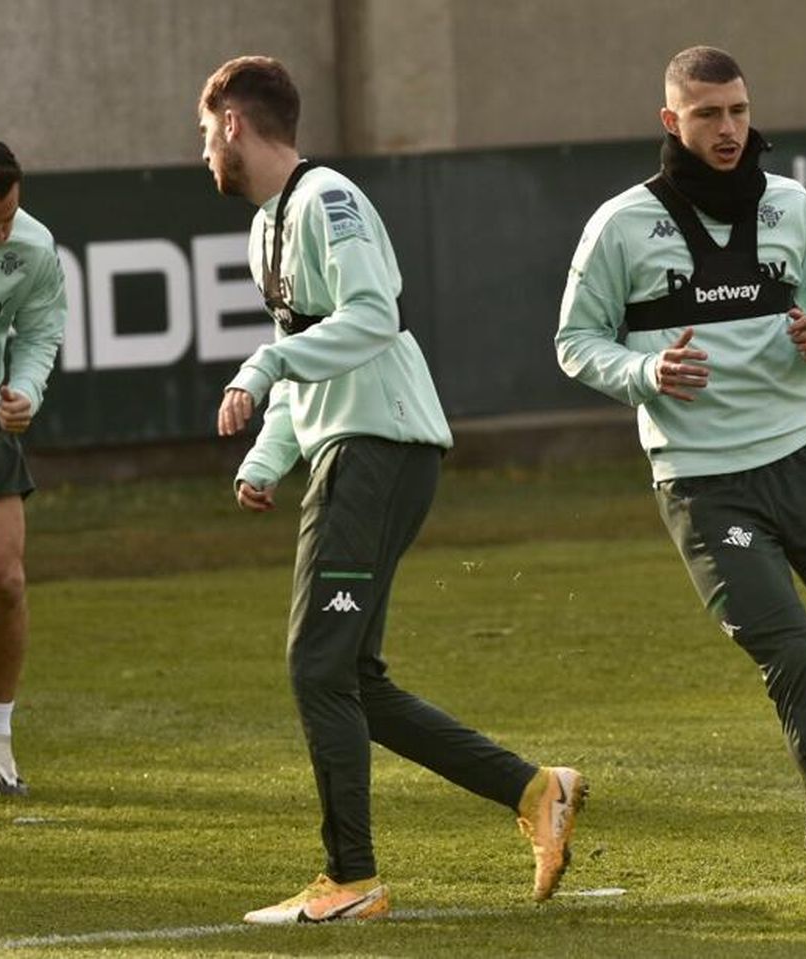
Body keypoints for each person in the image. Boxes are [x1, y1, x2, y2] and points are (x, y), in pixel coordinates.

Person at [201, 55, 583, 924]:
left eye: (203, 134)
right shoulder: (269, 225)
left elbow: (372, 317)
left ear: (232, 122)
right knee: (353, 681)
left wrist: (261, 366)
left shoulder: (329, 197)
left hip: (377, 450)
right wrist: (267, 457)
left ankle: (353, 878)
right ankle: (533, 791)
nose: (202, 154)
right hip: (355, 449)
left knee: (315, 667)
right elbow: (313, 357)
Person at [555, 45, 806, 907]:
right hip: (703, 482)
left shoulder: (792, 205)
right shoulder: (621, 223)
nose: (728, 131)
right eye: (707, 116)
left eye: (737, 111)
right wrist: (647, 375)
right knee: (794, 659)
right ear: (671, 122)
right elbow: (575, 342)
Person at [0, 138, 66, 797]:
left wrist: (26, 389)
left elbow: (42, 327)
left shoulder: (31, 246)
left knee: (5, 581)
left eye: (5, 218)